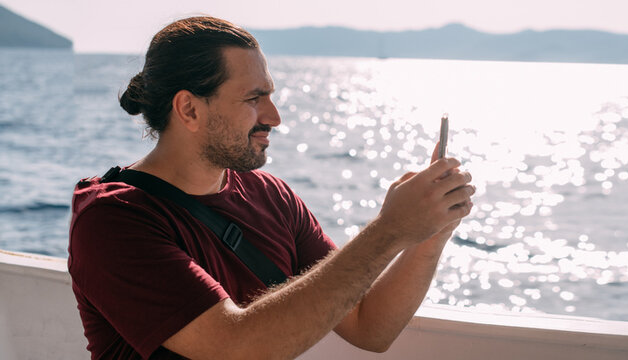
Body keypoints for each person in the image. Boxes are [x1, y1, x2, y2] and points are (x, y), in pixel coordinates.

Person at [67, 16, 474, 359]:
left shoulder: (271, 196)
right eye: (253, 98)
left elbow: (369, 327)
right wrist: (389, 230)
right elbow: (233, 345)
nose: (274, 117)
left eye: (270, 96)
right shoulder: (112, 220)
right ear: (189, 109)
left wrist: (429, 230)